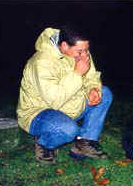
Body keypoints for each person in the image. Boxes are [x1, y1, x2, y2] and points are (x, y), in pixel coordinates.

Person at [17, 25, 113, 164]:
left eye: (87, 49)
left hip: (70, 104)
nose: (85, 55)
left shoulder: (80, 51)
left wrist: (93, 89)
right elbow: (55, 100)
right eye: (80, 51)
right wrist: (77, 74)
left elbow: (92, 77)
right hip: (39, 112)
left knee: (104, 93)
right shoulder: (42, 62)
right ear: (64, 46)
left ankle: (85, 143)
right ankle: (44, 143)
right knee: (68, 130)